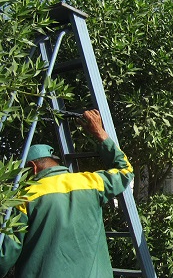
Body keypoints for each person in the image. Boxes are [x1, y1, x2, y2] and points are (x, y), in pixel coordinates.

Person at [0, 109, 134, 278]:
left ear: (33, 168)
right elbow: (125, 170)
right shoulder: (90, 182)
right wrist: (99, 132)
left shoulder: (23, 198)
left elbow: (4, 257)